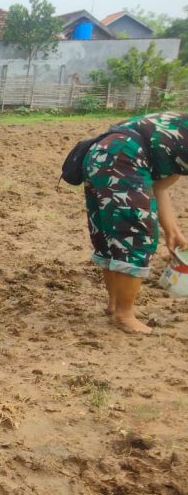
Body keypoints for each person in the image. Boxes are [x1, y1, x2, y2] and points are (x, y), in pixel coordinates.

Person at [80, 112, 188, 333]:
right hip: (123, 157)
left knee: (111, 234)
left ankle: (114, 305)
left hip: (102, 153)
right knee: (136, 234)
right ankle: (124, 314)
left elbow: (159, 186)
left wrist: (172, 228)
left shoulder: (176, 131)